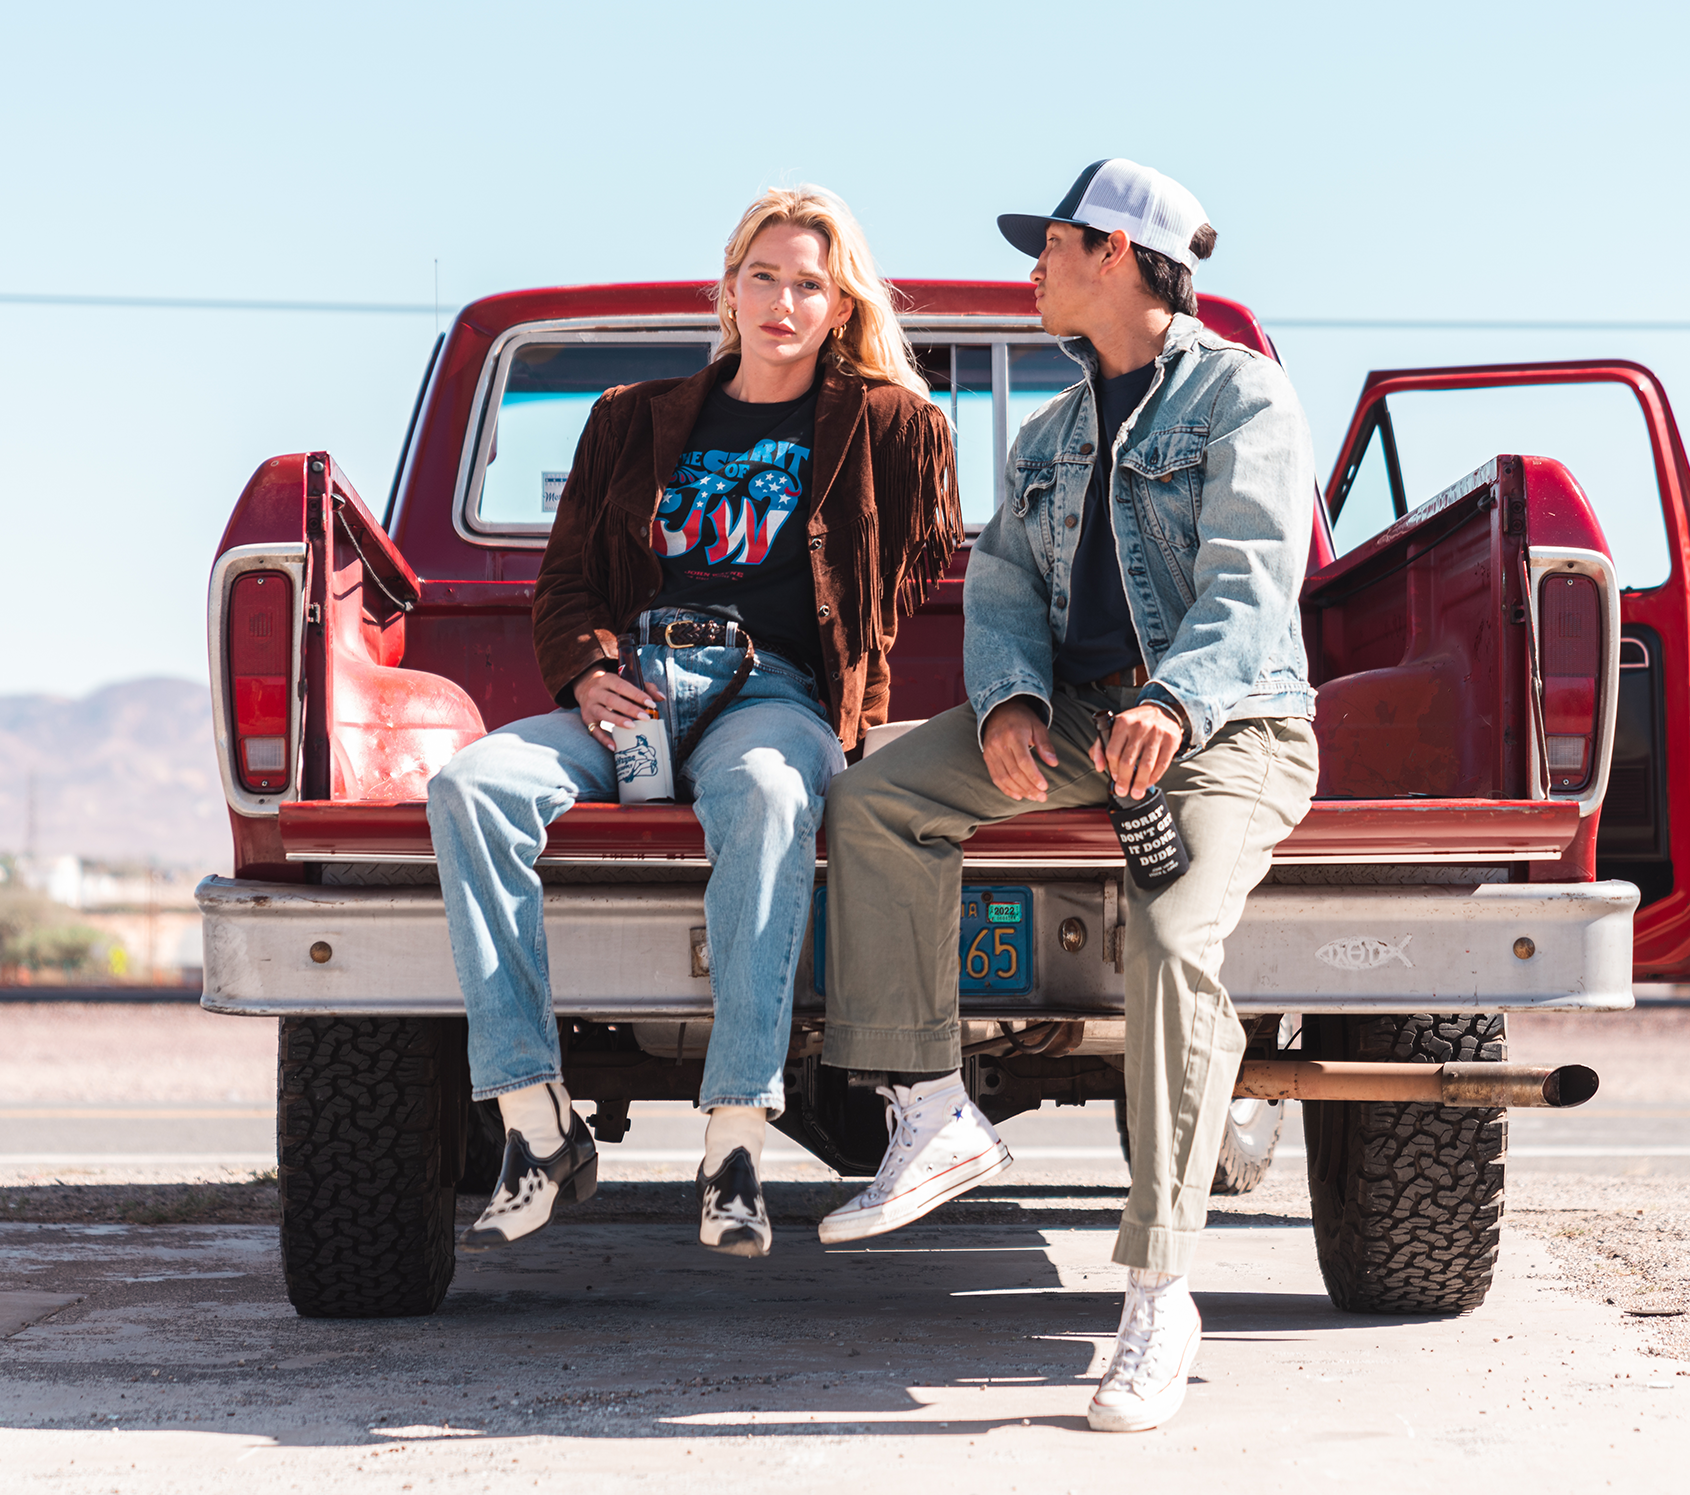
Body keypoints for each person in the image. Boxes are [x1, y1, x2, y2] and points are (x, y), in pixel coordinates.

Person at [814, 159, 1319, 1430]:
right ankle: (931, 1111)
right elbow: (1001, 593)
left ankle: (1159, 1288)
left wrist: (1177, 699)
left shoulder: (1241, 394)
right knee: (878, 799)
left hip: (1232, 725)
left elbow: (1253, 578)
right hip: (1091, 720)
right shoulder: (1051, 432)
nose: (1027, 269)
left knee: (1167, 938)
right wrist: (1013, 703)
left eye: (1048, 246)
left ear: (1118, 255)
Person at [426, 186, 960, 1259]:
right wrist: (585, 670)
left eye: (809, 282)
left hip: (772, 696)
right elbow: (567, 579)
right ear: (728, 287)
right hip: (635, 680)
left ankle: (734, 1139)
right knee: (468, 786)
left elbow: (912, 566)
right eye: (762, 276)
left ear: (839, 302)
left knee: (767, 792)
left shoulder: (888, 424)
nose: (781, 298)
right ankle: (536, 1121)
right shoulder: (632, 417)